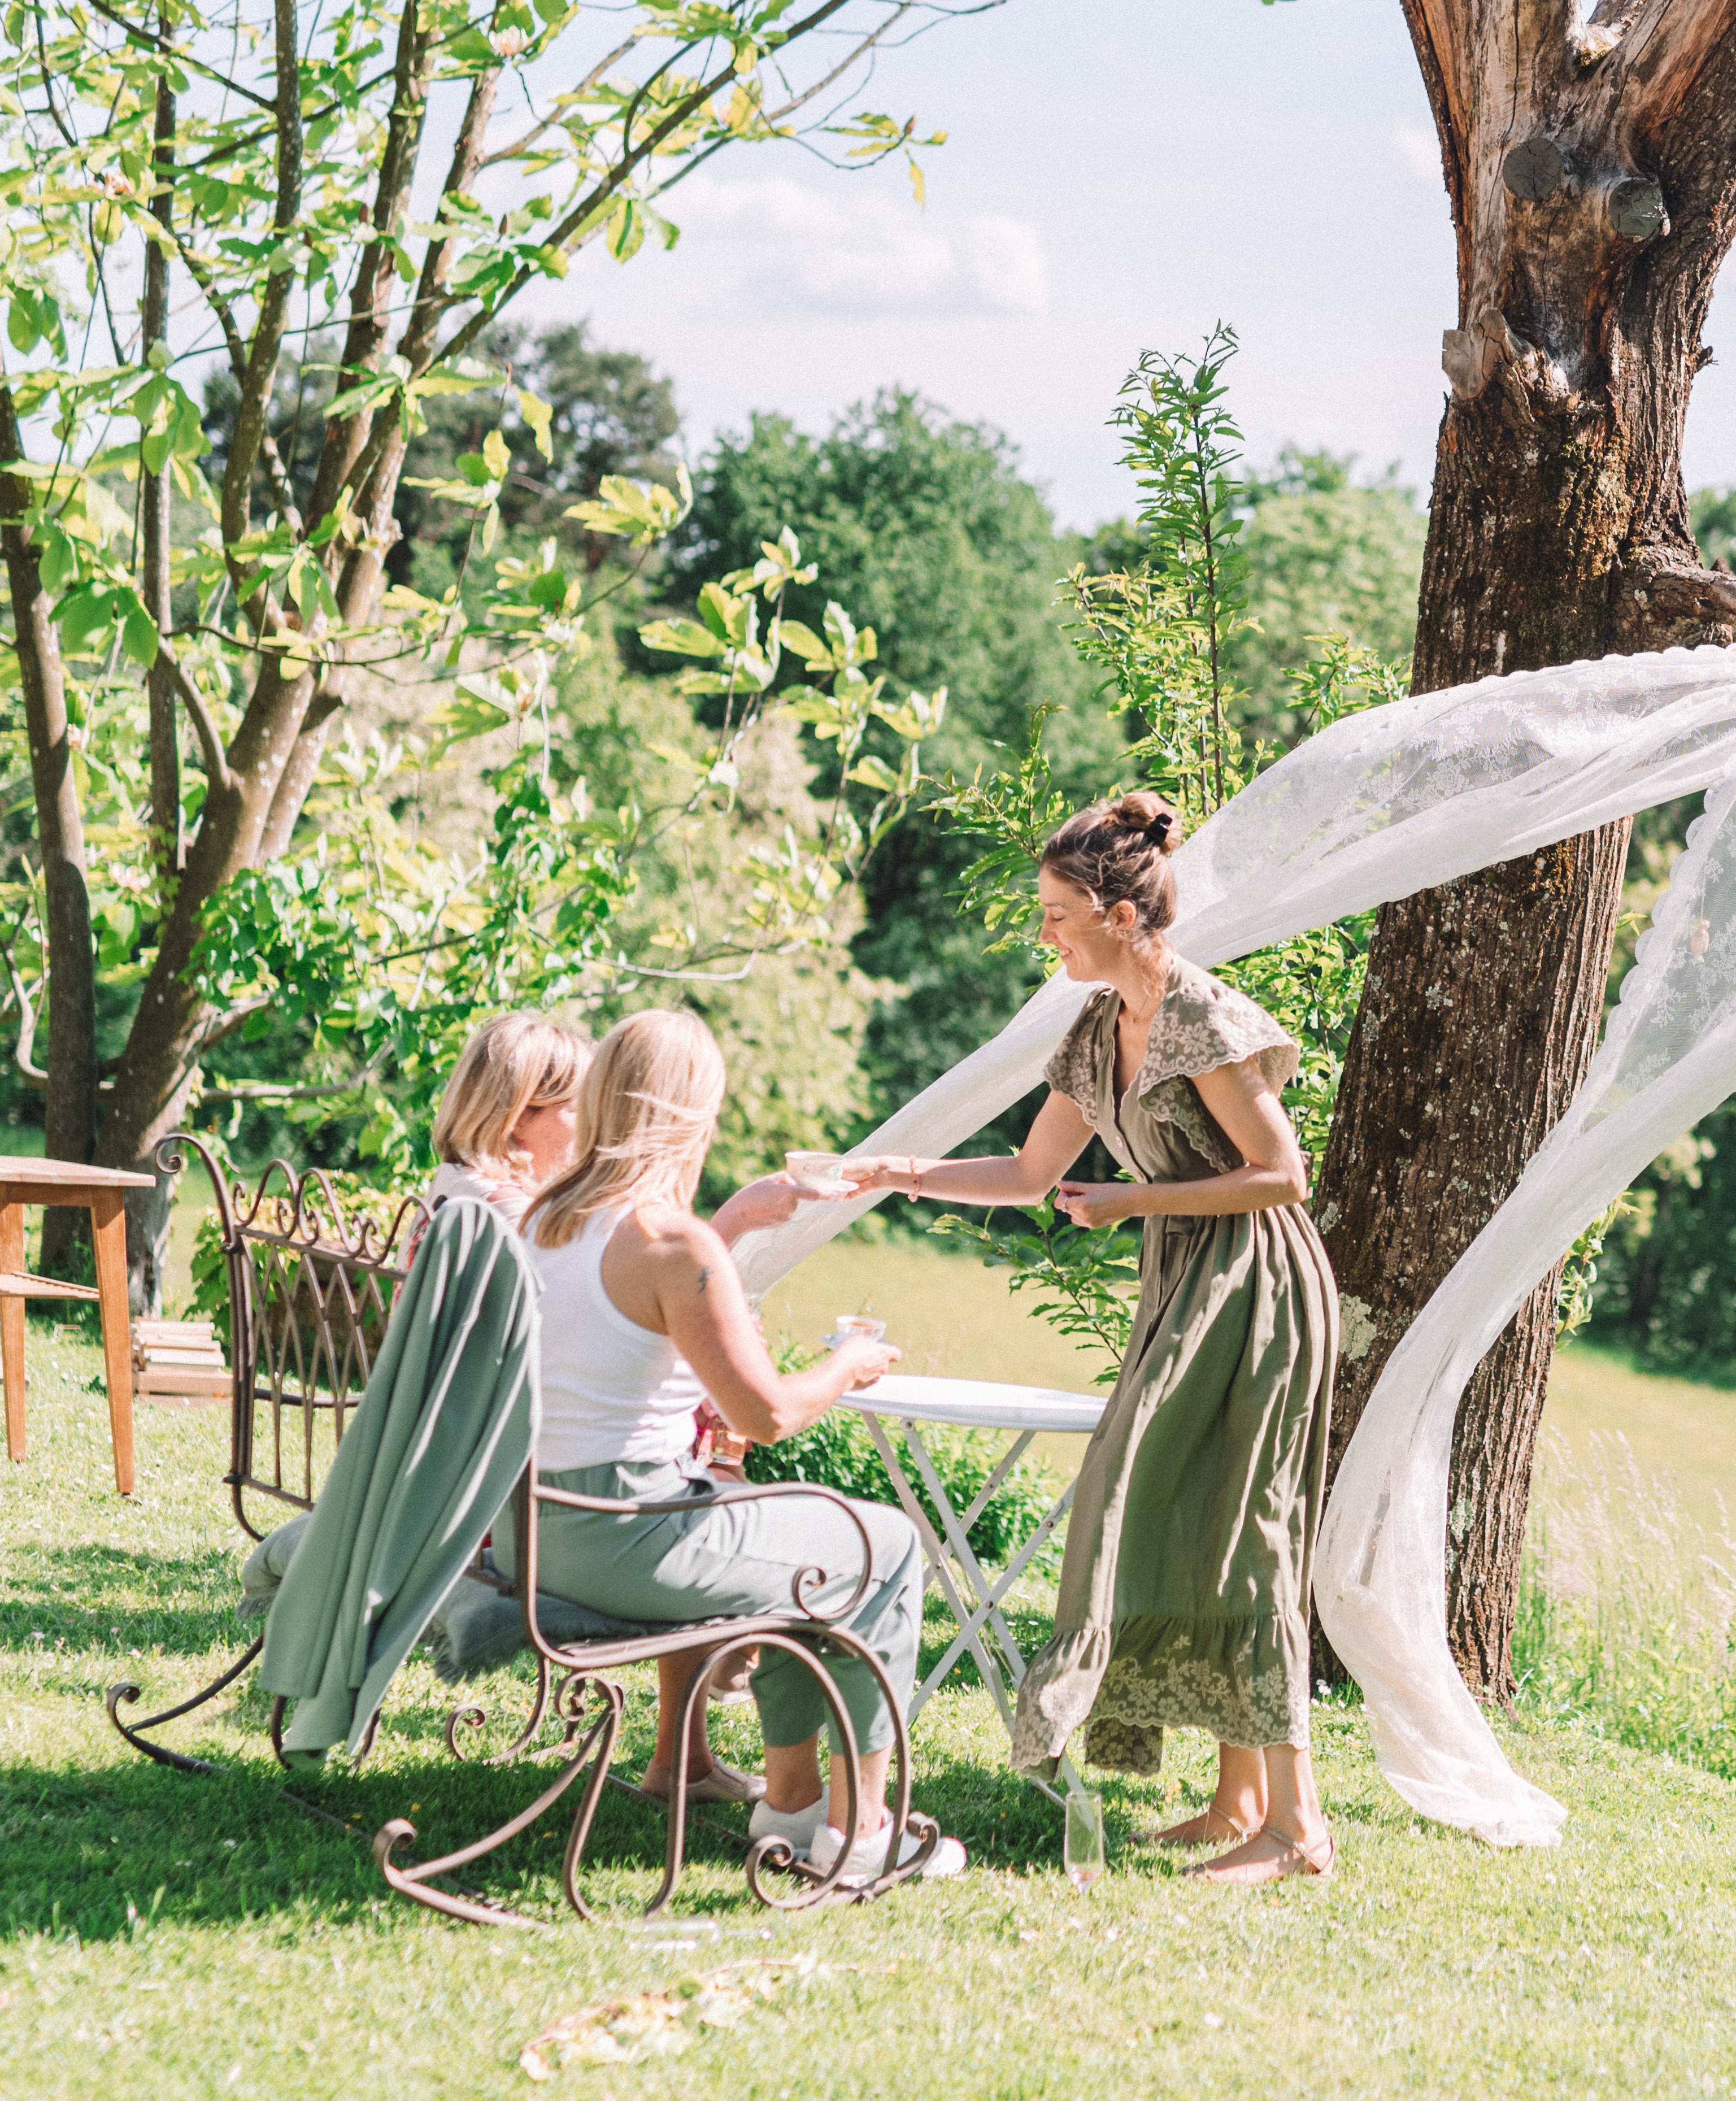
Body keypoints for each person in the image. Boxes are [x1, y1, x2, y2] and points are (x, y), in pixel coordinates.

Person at [848, 792, 1341, 1886]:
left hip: (1256, 1285)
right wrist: (903, 1174)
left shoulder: (1196, 1017)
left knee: (1247, 1531)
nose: (1045, 935)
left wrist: (1131, 1204)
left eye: (1059, 914)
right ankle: (1236, 1800)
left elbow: (1283, 1175)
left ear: (1122, 913)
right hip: (1185, 1285)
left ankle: (1298, 1826)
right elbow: (1027, 1172)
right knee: (1187, 1515)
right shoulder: (1094, 1029)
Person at [510, 1008, 963, 1883]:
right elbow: (767, 1416)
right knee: (888, 1544)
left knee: (809, 1548)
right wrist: (847, 1360)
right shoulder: (668, 1239)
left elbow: (619, 1339)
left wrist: (738, 1222)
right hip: (626, 1534)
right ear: (692, 1114)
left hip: (541, 1527)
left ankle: (791, 1802)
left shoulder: (546, 1215)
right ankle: (864, 1832)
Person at [409, 1015, 590, 1252]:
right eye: (578, 1109)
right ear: (519, 1118)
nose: (589, 1124)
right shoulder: (512, 1216)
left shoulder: (454, 1179)